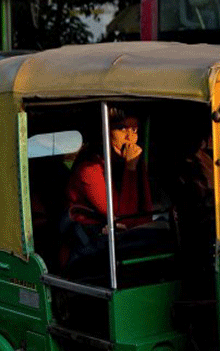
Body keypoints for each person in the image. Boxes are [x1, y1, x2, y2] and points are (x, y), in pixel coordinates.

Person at [61, 108, 153, 272]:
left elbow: (145, 213)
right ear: (105, 132)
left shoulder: (125, 163)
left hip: (117, 248)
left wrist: (137, 168)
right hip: (86, 256)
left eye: (134, 130)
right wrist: (131, 169)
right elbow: (123, 216)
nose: (130, 137)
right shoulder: (89, 170)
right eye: (122, 129)